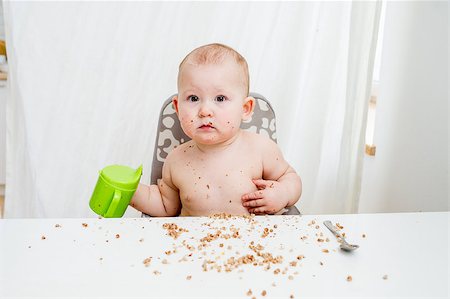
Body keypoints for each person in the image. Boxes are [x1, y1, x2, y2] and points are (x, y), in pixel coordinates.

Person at [130, 43, 302, 216]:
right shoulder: (176, 160)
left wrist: (283, 194)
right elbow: (166, 207)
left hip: (251, 240)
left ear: (245, 109)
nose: (205, 111)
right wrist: (132, 192)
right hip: (192, 241)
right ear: (177, 107)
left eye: (220, 98)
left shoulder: (260, 150)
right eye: (193, 98)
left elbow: (290, 179)